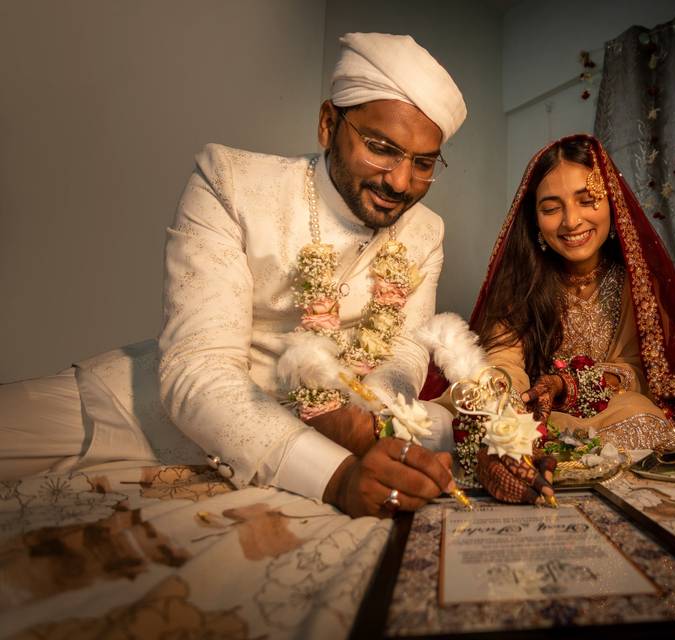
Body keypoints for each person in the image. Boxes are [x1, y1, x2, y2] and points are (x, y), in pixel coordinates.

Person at [1, 32, 466, 519]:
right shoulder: (231, 183)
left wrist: (371, 424)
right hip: (138, 416)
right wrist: (340, 475)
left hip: (329, 436)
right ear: (329, 124)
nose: (399, 180)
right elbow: (197, 369)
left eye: (424, 163)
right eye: (380, 148)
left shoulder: (426, 231)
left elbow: (407, 348)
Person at [443, 135, 675, 501]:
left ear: (612, 205)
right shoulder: (521, 282)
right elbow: (502, 357)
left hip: (610, 409)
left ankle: (526, 458)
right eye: (551, 208)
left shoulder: (635, 283)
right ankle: (516, 454)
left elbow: (642, 370)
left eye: (587, 201)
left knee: (644, 420)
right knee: (457, 409)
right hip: (536, 411)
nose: (571, 221)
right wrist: (505, 407)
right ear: (535, 219)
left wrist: (569, 384)